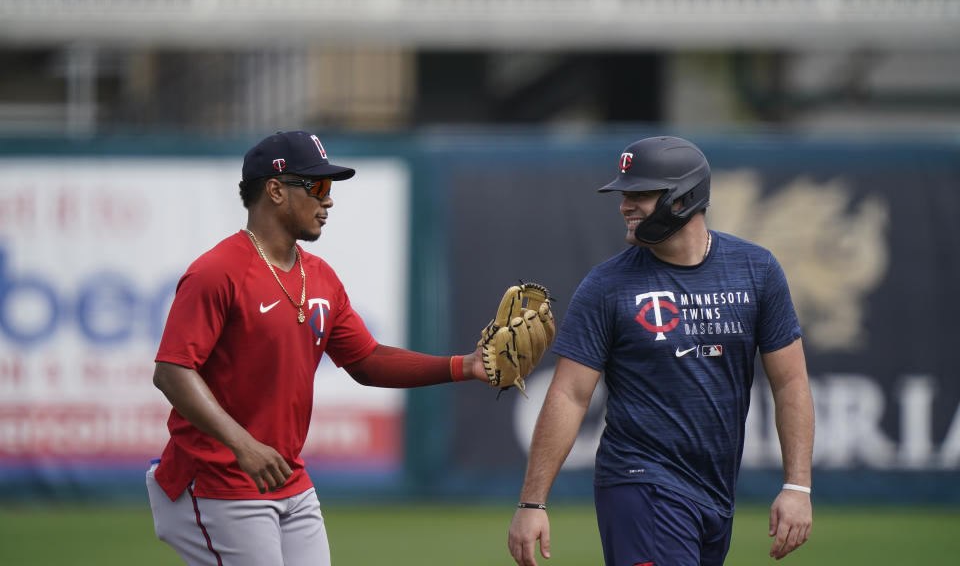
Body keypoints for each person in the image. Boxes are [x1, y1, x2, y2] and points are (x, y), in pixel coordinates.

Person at [146, 130, 489, 566]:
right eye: (318, 186)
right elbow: (172, 370)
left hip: (288, 478)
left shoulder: (320, 276)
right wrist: (244, 445)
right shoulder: (217, 272)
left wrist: (465, 365)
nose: (328, 201)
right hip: (216, 478)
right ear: (275, 190)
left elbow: (367, 361)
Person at [507, 136, 814, 566]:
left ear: (684, 197)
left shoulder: (756, 269)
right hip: (639, 483)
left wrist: (797, 487)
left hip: (716, 492)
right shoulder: (606, 285)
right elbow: (569, 394)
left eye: (640, 194)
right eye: (624, 194)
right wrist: (532, 503)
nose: (624, 205)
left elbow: (790, 382)